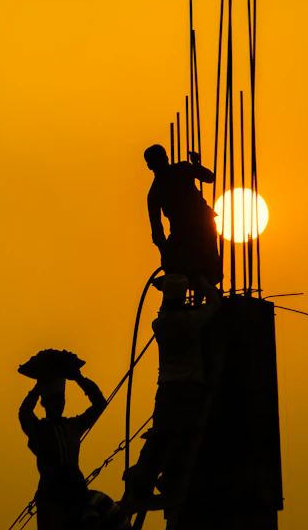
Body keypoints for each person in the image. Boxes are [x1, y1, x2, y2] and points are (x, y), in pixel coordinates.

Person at [123, 273, 221, 506]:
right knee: (182, 434)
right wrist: (202, 283)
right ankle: (170, 478)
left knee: (160, 433)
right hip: (190, 388)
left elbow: (165, 312)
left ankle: (144, 477)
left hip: (166, 388)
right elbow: (216, 304)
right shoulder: (192, 320)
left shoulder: (159, 324)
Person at [19, 371, 107, 530]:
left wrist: (79, 378)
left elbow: (100, 404)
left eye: (61, 399)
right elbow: (24, 413)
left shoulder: (72, 426)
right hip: (52, 497)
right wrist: (38, 388)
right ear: (44, 403)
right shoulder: (39, 430)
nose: (59, 404)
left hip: (76, 493)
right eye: (54, 400)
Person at [144, 145, 221, 286]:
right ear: (150, 166)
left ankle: (203, 294)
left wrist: (196, 164)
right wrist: (165, 252)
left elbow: (209, 178)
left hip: (202, 226)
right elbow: (157, 230)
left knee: (204, 267)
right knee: (180, 270)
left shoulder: (182, 169)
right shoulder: (155, 192)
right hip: (183, 232)